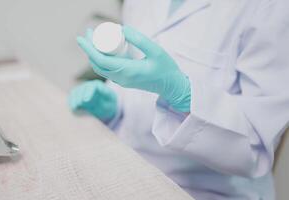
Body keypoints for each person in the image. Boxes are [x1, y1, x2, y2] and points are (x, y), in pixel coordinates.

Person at [68, 0, 289, 199]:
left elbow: (255, 148)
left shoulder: (270, 8)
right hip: (129, 166)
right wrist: (115, 108)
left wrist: (181, 93)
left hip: (206, 190)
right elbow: (138, 66)